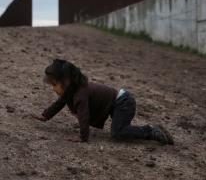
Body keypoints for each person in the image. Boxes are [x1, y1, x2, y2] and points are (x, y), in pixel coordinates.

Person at [32, 59, 174, 145]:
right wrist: (45, 116)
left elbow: (84, 116)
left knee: (118, 133)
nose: (53, 89)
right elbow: (58, 104)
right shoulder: (71, 91)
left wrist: (83, 137)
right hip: (117, 104)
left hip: (124, 102)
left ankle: (150, 131)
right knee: (119, 129)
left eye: (54, 84)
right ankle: (151, 130)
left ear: (66, 81)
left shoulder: (80, 94)